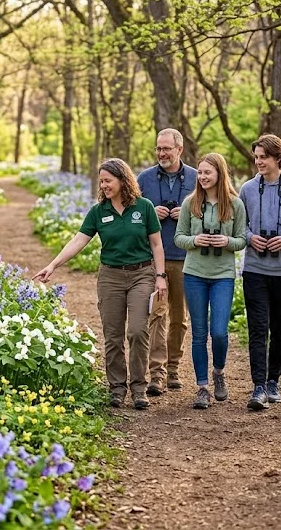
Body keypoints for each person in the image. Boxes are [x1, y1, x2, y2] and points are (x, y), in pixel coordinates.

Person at [33, 158, 169, 410]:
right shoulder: (99, 211)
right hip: (110, 277)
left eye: (108, 181)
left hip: (142, 274)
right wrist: (53, 265)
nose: (104, 185)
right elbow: (78, 240)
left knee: (137, 331)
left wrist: (160, 277)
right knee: (113, 334)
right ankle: (117, 388)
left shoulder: (144, 207)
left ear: (123, 180)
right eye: (101, 181)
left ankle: (139, 388)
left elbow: (156, 244)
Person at [174, 153, 247, 409]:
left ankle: (218, 372)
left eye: (208, 172)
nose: (203, 177)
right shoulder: (190, 203)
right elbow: (179, 237)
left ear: (220, 174)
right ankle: (202, 387)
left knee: (219, 332)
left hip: (222, 276)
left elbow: (242, 240)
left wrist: (227, 241)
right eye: (200, 172)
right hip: (194, 274)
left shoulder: (235, 205)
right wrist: (195, 240)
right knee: (199, 333)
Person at [238, 134, 281, 410]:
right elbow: (238, 225)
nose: (259, 162)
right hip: (254, 268)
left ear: (278, 158)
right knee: (257, 327)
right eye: (256, 157)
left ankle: (273, 380)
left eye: (263, 157)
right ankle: (258, 386)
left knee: (280, 329)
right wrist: (250, 237)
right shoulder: (248, 189)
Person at [137, 128, 198, 395]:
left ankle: (173, 368)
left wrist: (187, 214)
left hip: (186, 258)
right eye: (158, 148)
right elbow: (132, 213)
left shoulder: (196, 178)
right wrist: (151, 213)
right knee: (156, 314)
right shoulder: (144, 179)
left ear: (179, 150)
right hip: (153, 260)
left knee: (179, 319)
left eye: (166, 149)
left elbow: (209, 212)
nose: (161, 153)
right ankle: (157, 373)